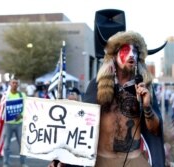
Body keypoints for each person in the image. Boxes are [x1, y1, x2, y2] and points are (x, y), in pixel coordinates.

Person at [49, 31, 165, 167]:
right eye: (126, 50)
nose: (132, 55)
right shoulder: (97, 86)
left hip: (133, 160)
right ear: (114, 56)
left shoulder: (144, 88)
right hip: (102, 160)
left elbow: (155, 130)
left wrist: (146, 107)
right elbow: (81, 126)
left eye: (135, 51)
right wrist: (64, 159)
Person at [2, 78, 28, 167]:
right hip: (8, 124)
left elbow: (26, 106)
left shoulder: (22, 95)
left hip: (19, 123)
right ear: (10, 84)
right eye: (13, 83)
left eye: (16, 83)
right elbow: (2, 107)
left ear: (18, 85)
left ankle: (23, 163)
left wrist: (21, 115)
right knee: (6, 145)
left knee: (22, 144)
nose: (15, 84)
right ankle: (5, 163)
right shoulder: (6, 95)